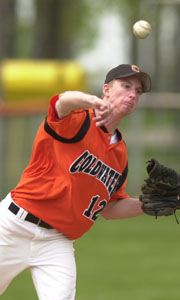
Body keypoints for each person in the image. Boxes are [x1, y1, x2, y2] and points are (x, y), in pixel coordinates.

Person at [0, 64, 151, 300]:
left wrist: (148, 204)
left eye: (138, 91)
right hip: (12, 227)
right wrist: (91, 101)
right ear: (106, 90)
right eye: (126, 86)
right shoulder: (77, 120)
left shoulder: (120, 154)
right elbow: (62, 101)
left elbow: (110, 208)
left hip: (56, 242)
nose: (132, 94)